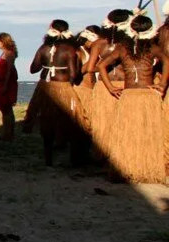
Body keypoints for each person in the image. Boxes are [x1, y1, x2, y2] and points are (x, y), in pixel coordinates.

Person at [97, 15, 169, 183]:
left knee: (127, 134)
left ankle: (128, 169)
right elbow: (167, 61)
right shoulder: (152, 48)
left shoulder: (122, 48)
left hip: (129, 97)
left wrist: (110, 87)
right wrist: (163, 85)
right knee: (147, 134)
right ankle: (142, 168)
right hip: (147, 96)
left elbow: (101, 65)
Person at [28, 20, 87, 166]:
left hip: (45, 88)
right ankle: (73, 159)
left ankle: (48, 159)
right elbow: (74, 74)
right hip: (64, 87)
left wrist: (47, 64)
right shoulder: (69, 49)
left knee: (47, 122)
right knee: (70, 121)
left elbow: (33, 69)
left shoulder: (43, 48)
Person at [87, 9, 133, 160]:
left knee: (105, 125)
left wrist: (105, 67)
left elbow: (90, 68)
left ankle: (105, 158)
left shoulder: (99, 43)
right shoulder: (127, 44)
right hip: (124, 85)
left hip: (104, 86)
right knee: (123, 124)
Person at [0, 33, 18, 142]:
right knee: (5, 110)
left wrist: (5, 86)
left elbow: (9, 71)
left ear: (4, 41)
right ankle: (6, 132)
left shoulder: (9, 54)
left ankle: (8, 134)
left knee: (7, 110)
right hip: (1, 83)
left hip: (5, 85)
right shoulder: (5, 53)